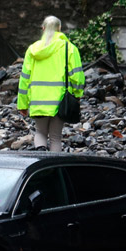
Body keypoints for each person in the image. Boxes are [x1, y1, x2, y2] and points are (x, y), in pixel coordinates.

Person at [16, 15, 85, 151]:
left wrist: (22, 104)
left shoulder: (32, 50)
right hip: (60, 100)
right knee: (55, 137)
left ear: (43, 28)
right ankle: (54, 168)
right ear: (60, 29)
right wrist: (77, 94)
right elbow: (77, 76)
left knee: (40, 132)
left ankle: (40, 155)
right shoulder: (69, 48)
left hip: (37, 99)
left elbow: (24, 79)